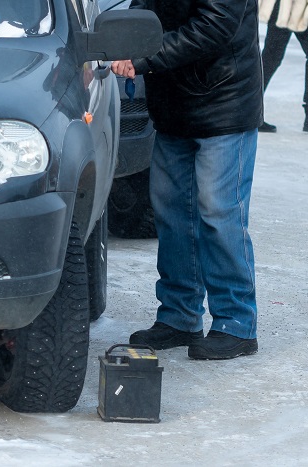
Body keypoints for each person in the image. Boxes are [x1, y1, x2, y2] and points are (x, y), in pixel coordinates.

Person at [111, 0, 262, 360]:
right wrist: (119, 40)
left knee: (218, 211)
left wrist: (142, 59)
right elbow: (142, 10)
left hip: (224, 103)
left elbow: (216, 25)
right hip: (173, 104)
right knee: (173, 213)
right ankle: (179, 317)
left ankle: (236, 323)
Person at [258, 0, 308, 133]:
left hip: (284, 7)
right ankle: (250, 111)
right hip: (288, 8)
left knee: (270, 58)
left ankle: (249, 111)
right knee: (271, 58)